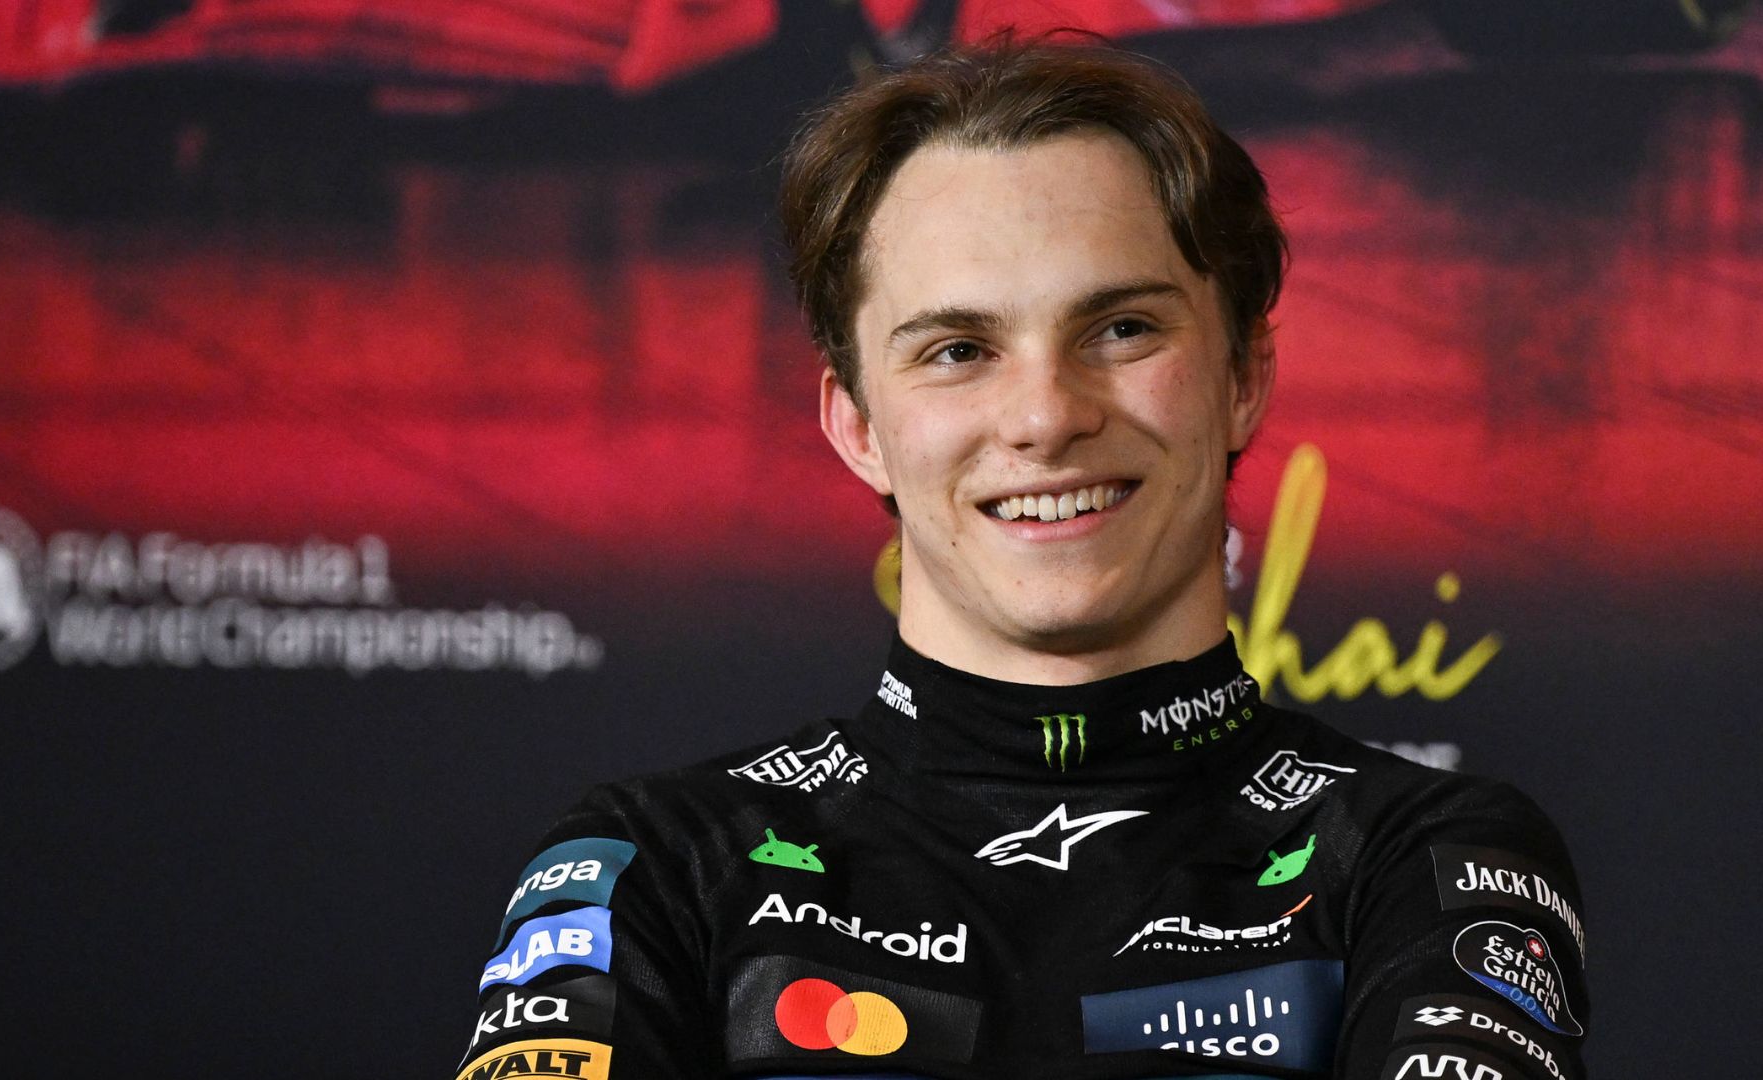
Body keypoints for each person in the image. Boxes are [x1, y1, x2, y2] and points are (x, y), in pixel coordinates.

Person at [452, 40, 1589, 1080]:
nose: (1045, 416)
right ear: (856, 426)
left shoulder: (1421, 857)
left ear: (1245, 375)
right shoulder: (657, 864)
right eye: (958, 349)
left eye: (1122, 330)